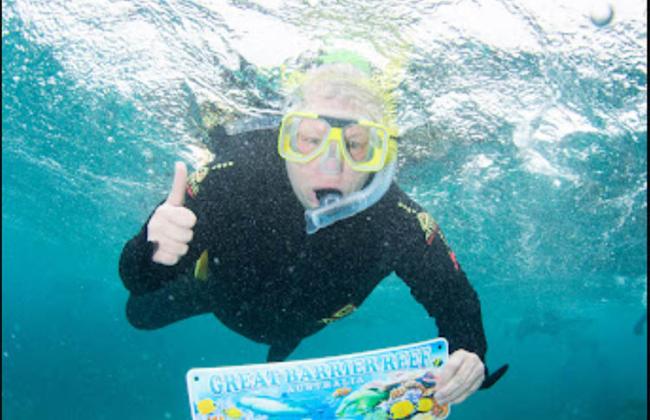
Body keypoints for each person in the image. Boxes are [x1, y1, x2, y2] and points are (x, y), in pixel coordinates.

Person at [119, 54, 507, 405]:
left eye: (357, 145)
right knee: (138, 313)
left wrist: (470, 356)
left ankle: (280, 347)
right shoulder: (234, 177)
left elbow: (454, 298)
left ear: (381, 153)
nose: (331, 167)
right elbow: (138, 278)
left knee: (282, 338)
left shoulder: (398, 218)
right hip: (213, 293)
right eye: (309, 140)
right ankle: (276, 343)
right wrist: (152, 252)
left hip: (297, 326)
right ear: (283, 137)